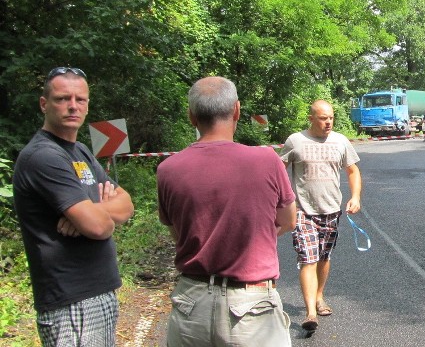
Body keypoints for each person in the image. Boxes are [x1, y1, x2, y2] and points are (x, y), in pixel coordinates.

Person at [156, 77, 297, 347]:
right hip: (251, 307)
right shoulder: (266, 160)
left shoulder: (168, 170)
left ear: (191, 116)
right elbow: (288, 220)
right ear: (236, 110)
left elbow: (179, 233)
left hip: (191, 304)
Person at [13, 66, 135, 346]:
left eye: (80, 100)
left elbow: (126, 205)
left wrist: (91, 210)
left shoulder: (78, 151)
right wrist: (96, 214)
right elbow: (99, 228)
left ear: (88, 105)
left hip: (96, 294)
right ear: (44, 104)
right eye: (62, 99)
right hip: (71, 302)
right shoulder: (44, 156)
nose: (72, 106)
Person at [279, 100, 362, 332]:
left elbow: (353, 170)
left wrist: (355, 196)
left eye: (331, 118)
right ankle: (310, 313)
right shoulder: (295, 141)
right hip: (303, 210)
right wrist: (282, 200)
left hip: (332, 210)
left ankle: (319, 296)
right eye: (323, 118)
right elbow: (278, 170)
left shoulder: (340, 141)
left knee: (324, 258)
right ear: (311, 119)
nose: (328, 122)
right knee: (308, 258)